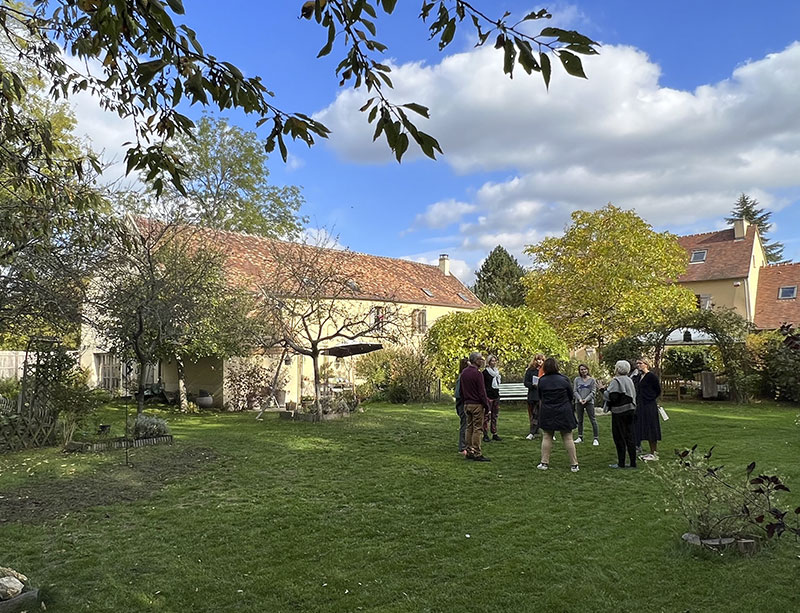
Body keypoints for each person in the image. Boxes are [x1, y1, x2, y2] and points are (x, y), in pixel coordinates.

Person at [536, 358, 579, 472]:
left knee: (547, 436)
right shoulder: (564, 379)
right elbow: (570, 395)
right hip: (564, 410)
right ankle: (574, 464)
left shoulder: (542, 380)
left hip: (547, 410)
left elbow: (540, 396)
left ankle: (544, 463)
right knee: (568, 437)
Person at [460, 351, 492, 462]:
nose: (482, 361)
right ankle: (477, 452)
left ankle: (469, 451)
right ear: (475, 360)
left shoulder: (464, 373)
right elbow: (481, 392)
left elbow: (461, 390)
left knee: (469, 428)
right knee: (478, 429)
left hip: (467, 404)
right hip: (477, 404)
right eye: (481, 359)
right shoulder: (478, 374)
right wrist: (486, 406)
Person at [606, 360, 638, 469]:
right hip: (630, 410)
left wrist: (602, 390)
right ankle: (633, 463)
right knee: (630, 436)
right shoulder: (629, 380)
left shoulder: (616, 381)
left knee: (619, 437)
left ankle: (621, 463)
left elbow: (613, 397)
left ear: (617, 369)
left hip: (619, 412)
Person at [633, 357, 662, 461]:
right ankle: (638, 446)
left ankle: (653, 452)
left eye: (640, 363)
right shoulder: (638, 376)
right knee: (639, 426)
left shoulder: (651, 376)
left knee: (651, 427)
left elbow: (658, 390)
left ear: (646, 364)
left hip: (649, 405)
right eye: (637, 363)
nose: (638, 365)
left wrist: (650, 398)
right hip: (640, 405)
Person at [573, 364, 599, 446]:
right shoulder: (577, 380)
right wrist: (580, 399)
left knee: (593, 420)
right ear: (579, 371)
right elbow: (575, 391)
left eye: (585, 369)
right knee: (580, 420)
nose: (583, 371)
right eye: (581, 369)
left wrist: (586, 399)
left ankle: (596, 438)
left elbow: (593, 392)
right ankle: (580, 437)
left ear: (587, 370)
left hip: (589, 402)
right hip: (579, 402)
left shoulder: (592, 380)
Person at [523, 354, 545, 440]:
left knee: (539, 413)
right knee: (533, 414)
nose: (540, 361)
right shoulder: (530, 370)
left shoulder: (545, 370)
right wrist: (532, 385)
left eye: (542, 360)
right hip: (533, 395)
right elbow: (525, 382)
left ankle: (534, 432)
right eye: (538, 360)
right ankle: (534, 430)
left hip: (542, 396)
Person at [482, 354, 502, 442]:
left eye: (495, 361)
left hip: (496, 395)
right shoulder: (485, 372)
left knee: (495, 415)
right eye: (492, 361)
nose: (494, 362)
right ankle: (485, 434)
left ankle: (494, 433)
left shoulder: (496, 372)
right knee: (487, 416)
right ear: (489, 362)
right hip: (488, 395)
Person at [453, 357, 470, 456]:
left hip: (464, 402)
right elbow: (458, 394)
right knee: (464, 424)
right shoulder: (461, 378)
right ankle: (462, 447)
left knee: (467, 425)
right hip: (462, 404)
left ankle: (466, 445)